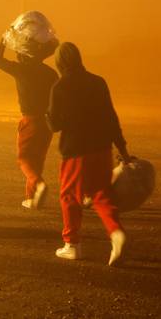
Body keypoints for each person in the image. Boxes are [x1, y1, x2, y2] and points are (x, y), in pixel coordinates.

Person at [47, 42, 132, 266]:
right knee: (101, 194)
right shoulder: (98, 82)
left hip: (76, 152)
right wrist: (122, 149)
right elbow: (111, 118)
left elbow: (54, 125)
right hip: (102, 148)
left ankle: (72, 245)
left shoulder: (60, 87)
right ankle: (116, 233)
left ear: (59, 62)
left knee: (69, 197)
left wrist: (48, 114)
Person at [0, 35, 59, 210]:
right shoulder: (51, 73)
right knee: (37, 159)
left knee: (24, 159)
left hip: (30, 120)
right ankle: (31, 197)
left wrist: (4, 40)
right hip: (48, 122)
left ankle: (39, 184)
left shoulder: (21, 69)